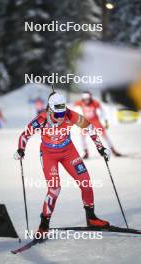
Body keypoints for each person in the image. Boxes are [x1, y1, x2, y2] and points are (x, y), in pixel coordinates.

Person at [15, 92, 111, 237]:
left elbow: (90, 128)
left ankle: (91, 218)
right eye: (58, 115)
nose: (61, 117)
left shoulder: (70, 114)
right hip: (49, 155)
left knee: (85, 182)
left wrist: (100, 148)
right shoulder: (41, 119)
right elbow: (25, 135)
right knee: (54, 188)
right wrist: (21, 150)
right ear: (50, 109)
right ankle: (44, 225)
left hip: (68, 152)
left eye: (62, 114)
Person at [74, 91, 122, 159]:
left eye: (88, 99)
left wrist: (105, 121)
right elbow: (71, 107)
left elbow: (102, 111)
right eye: (85, 100)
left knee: (105, 136)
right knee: (82, 137)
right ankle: (86, 152)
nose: (86, 101)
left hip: (95, 121)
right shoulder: (80, 102)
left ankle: (113, 150)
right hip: (86, 122)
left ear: (90, 98)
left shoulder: (95, 103)